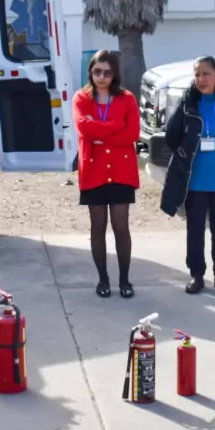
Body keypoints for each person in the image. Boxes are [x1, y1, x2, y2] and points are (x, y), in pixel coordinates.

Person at [160, 56, 215, 295]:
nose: (200, 79)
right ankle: (196, 275)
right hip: (195, 178)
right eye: (197, 74)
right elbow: (172, 134)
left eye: (205, 74)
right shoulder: (188, 102)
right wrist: (184, 151)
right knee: (195, 229)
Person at [73, 50, 140, 298]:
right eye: (97, 71)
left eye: (107, 72)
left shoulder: (127, 99)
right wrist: (114, 126)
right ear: (91, 72)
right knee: (97, 226)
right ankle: (103, 279)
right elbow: (84, 128)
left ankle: (125, 279)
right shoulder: (81, 98)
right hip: (94, 170)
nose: (101, 77)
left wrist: (100, 130)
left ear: (115, 74)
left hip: (121, 170)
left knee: (121, 226)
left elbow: (132, 134)